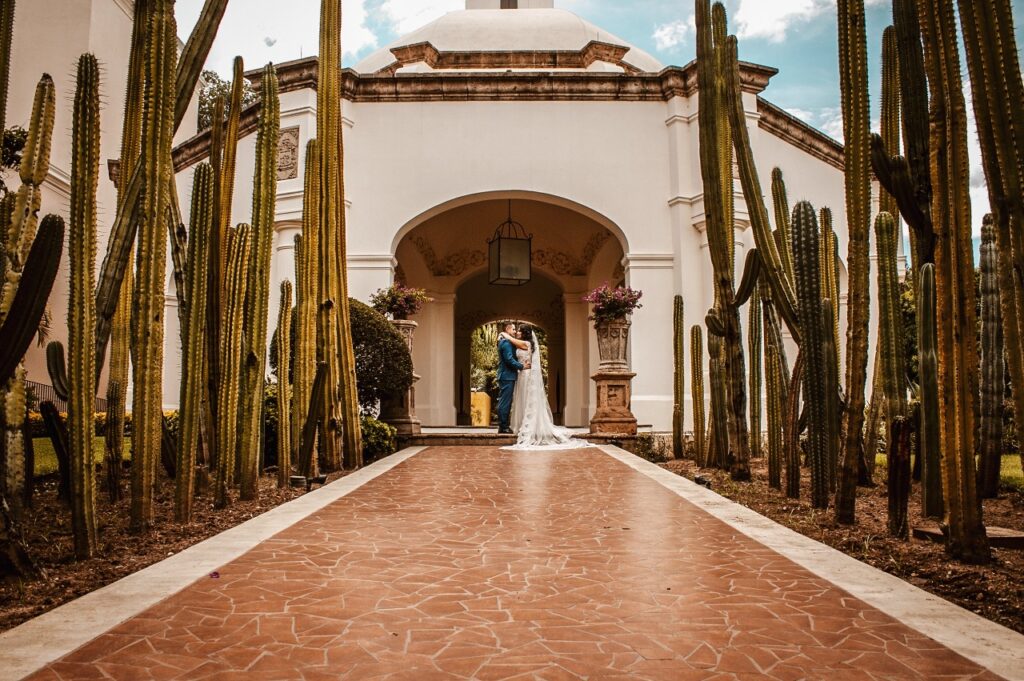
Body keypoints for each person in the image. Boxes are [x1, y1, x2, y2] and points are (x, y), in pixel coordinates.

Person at [499, 323, 590, 450]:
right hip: (520, 375)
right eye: (516, 330)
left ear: (525, 333)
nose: (517, 332)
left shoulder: (527, 344)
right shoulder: (519, 343)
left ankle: (528, 425)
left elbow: (513, 341)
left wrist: (504, 334)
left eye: (519, 331)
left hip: (526, 375)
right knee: (520, 399)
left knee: (526, 399)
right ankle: (519, 425)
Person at [496, 321, 527, 434]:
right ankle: (503, 426)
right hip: (507, 376)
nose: (515, 331)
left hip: (507, 376)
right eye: (513, 329)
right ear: (507, 330)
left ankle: (503, 425)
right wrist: (521, 366)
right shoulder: (506, 343)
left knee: (505, 401)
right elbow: (509, 359)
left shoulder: (506, 342)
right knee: (505, 402)